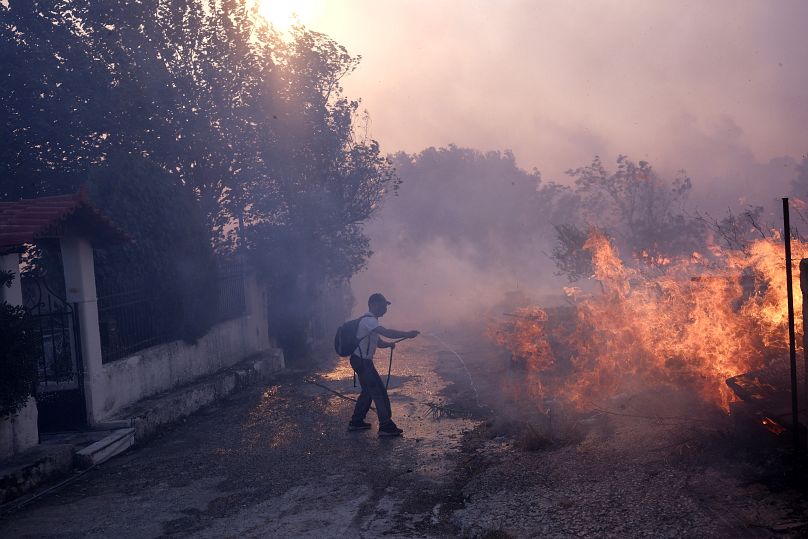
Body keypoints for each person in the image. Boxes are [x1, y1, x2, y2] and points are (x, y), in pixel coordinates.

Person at [349, 293, 419, 437]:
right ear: (373, 304)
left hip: (361, 360)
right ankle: (386, 426)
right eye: (383, 306)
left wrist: (387, 345)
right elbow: (386, 332)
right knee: (378, 392)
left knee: (368, 391)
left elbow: (378, 341)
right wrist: (407, 333)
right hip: (362, 362)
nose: (385, 309)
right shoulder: (369, 321)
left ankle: (356, 422)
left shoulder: (370, 322)